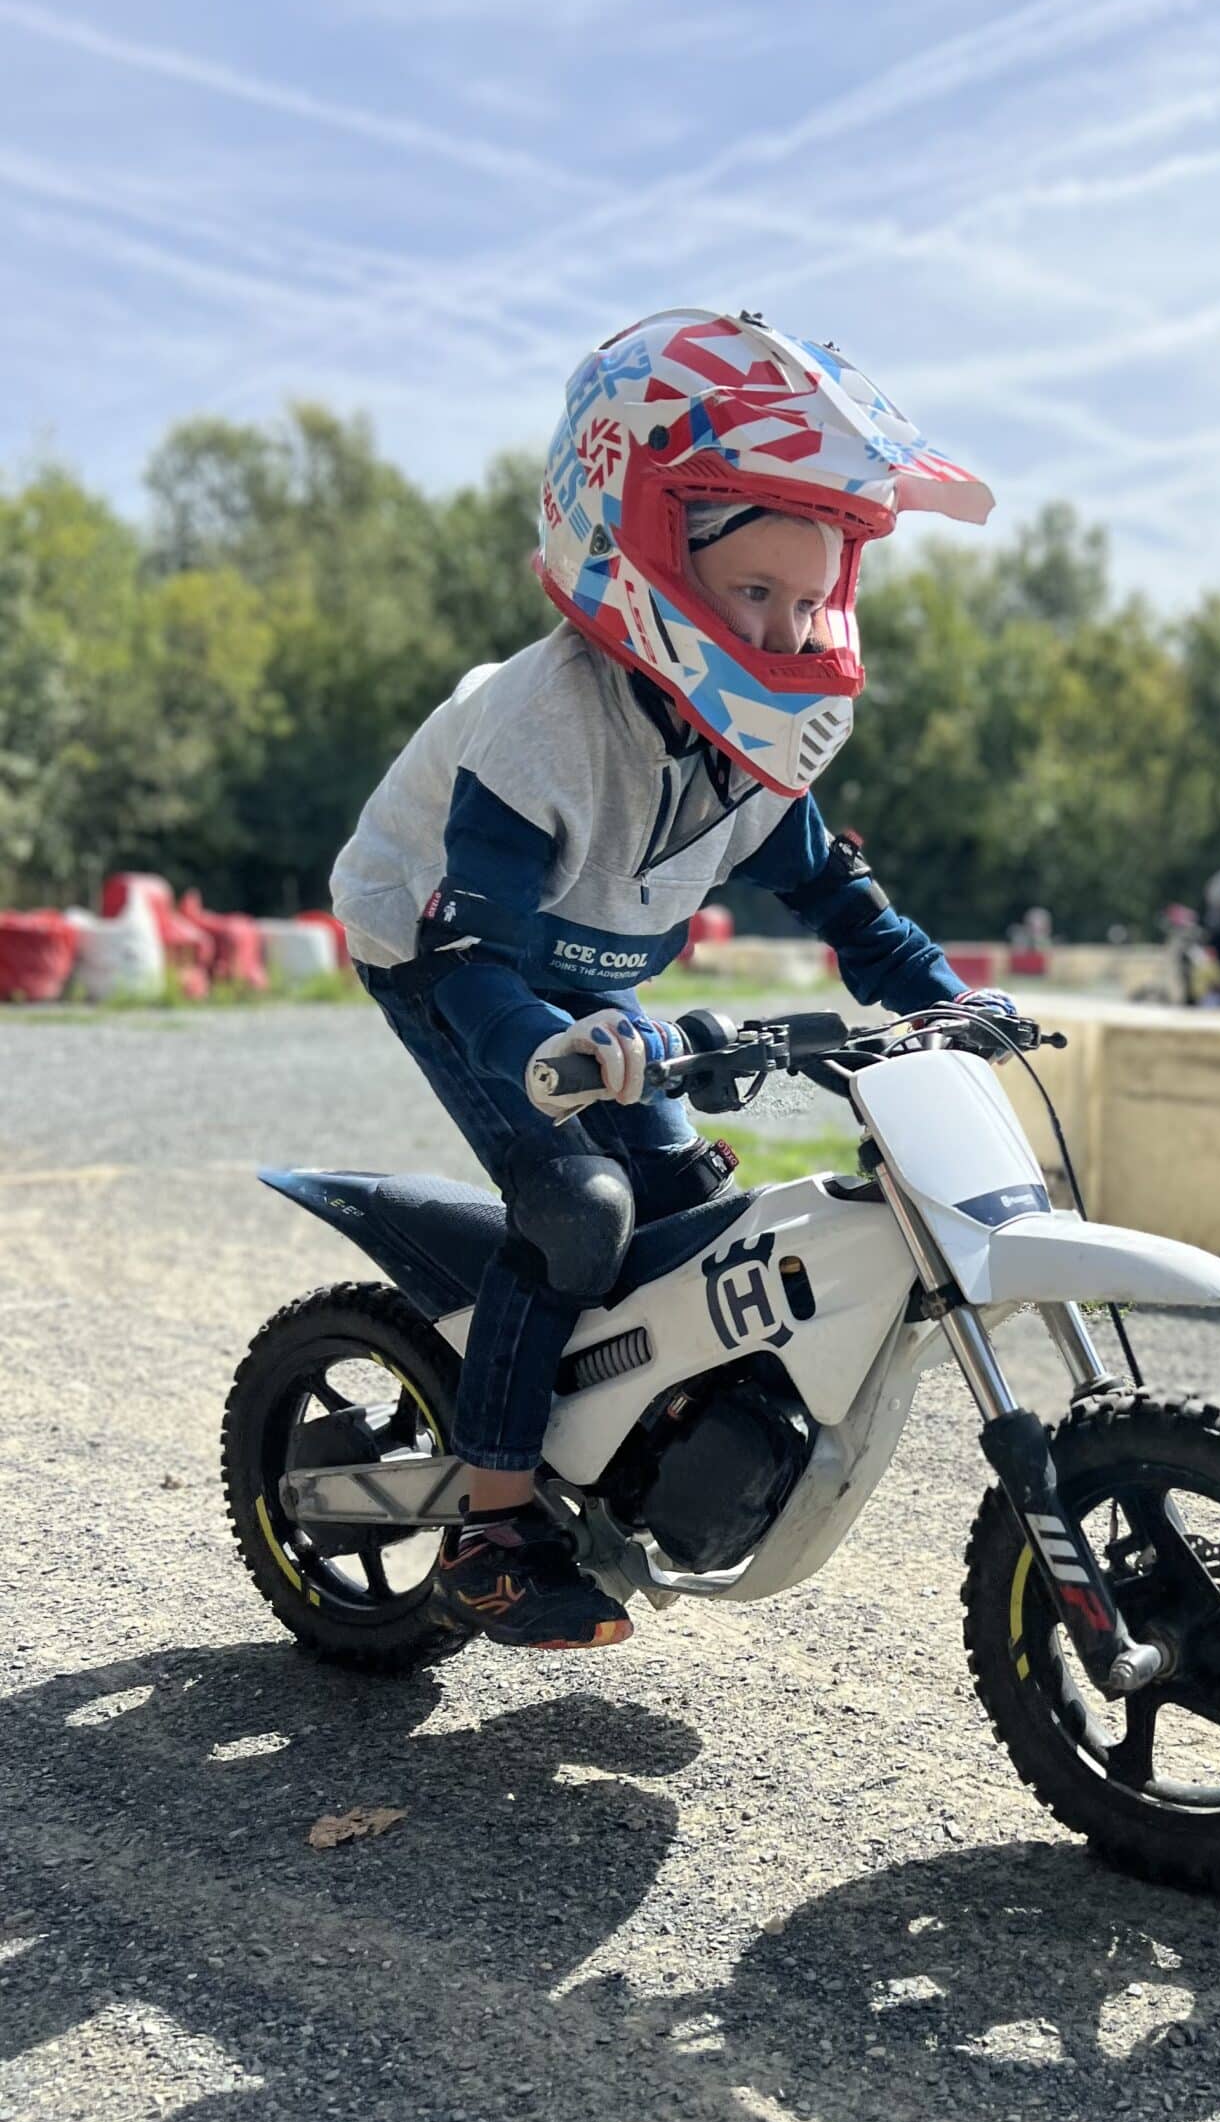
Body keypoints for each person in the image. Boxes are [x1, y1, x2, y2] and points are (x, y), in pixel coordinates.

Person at [330, 307, 1011, 1652]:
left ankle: (635, 1422)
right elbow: (473, 955)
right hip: (443, 950)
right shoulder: (543, 726)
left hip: (579, 957)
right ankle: (492, 1529)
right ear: (638, 544)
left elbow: (840, 898)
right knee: (576, 1205)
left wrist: (946, 997)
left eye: (807, 602)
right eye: (754, 593)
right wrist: (549, 1050)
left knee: (694, 1199)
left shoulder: (749, 739)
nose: (786, 628)